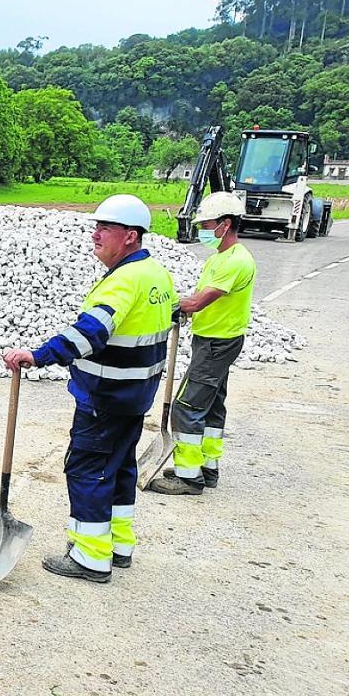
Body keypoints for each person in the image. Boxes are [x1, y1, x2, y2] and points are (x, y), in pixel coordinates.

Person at [3, 194, 176, 583]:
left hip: (106, 396)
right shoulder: (156, 275)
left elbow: (91, 332)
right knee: (119, 468)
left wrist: (39, 355)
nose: (95, 235)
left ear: (130, 236)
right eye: (96, 227)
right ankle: (118, 544)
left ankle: (90, 557)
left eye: (105, 228)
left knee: (87, 470)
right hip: (135, 396)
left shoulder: (123, 282)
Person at [148, 191, 256, 495]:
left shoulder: (236, 261)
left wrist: (170, 305)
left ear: (225, 224)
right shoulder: (221, 257)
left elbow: (198, 302)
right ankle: (207, 467)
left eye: (207, 224)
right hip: (214, 340)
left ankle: (188, 476)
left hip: (217, 344)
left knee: (186, 405)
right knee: (212, 405)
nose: (204, 230)